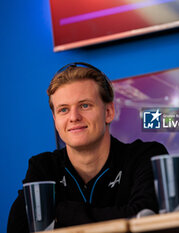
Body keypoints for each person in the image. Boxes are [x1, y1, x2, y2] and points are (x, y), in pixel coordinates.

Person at [7, 62, 168, 232]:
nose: (74, 117)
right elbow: (18, 228)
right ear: (55, 120)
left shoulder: (146, 156)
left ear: (108, 112)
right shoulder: (43, 168)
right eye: (63, 110)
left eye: (84, 105)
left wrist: (61, 211)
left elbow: (144, 218)